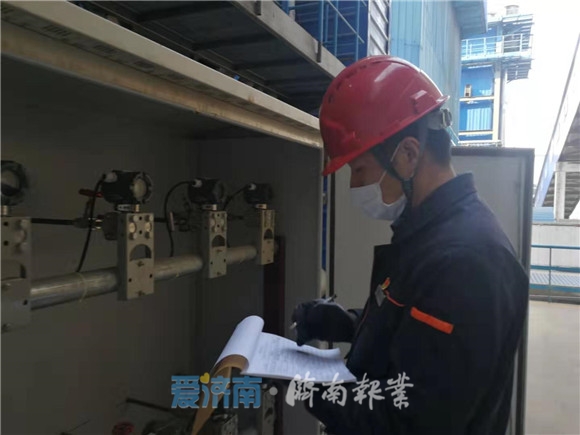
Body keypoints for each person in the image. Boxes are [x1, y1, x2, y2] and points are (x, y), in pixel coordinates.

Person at [291, 56, 529, 434]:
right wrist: (351, 324)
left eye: (360, 170)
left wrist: (303, 381)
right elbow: (416, 336)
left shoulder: (466, 261)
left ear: (408, 154)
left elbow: (408, 422)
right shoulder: (430, 235)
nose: (354, 186)